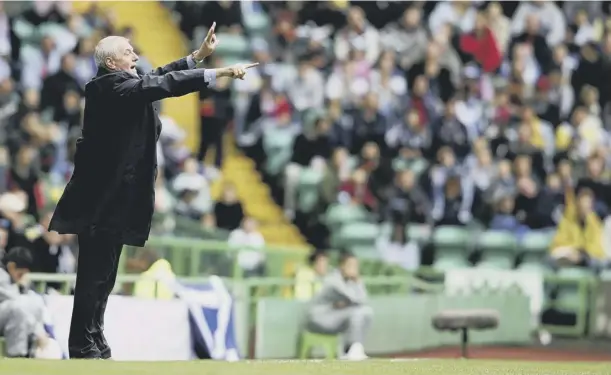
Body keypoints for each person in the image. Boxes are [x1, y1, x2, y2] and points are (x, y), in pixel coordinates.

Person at [47, 23, 258, 359]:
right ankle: (81, 345)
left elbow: (158, 75)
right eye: (128, 52)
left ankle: (95, 338)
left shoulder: (121, 82)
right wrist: (218, 72)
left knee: (104, 277)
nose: (135, 54)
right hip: (99, 202)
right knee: (92, 276)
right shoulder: (108, 87)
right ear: (113, 63)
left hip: (112, 199)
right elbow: (162, 83)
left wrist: (196, 57)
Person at [305, 252, 372, 361]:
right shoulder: (333, 279)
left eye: (355, 266)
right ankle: (351, 349)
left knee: (366, 312)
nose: (354, 269)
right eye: (350, 265)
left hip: (334, 316)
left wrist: (357, 282)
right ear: (342, 266)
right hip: (318, 319)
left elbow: (364, 300)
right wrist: (357, 281)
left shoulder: (350, 281)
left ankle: (353, 348)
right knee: (357, 313)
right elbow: (355, 299)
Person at [0, 247, 49, 357]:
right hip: (6, 317)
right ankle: (17, 355)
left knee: (35, 301)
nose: (22, 277)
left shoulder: (13, 279)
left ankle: (32, 352)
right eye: (20, 274)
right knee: (18, 308)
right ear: (11, 266)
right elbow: (16, 301)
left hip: (10, 321)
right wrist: (37, 331)